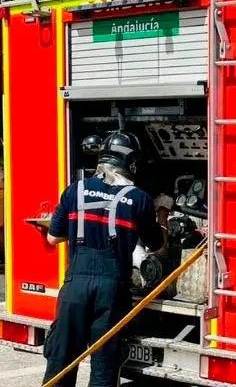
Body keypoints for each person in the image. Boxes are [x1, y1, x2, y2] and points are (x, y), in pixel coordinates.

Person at [42, 131, 173, 387]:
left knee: (62, 358)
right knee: (104, 363)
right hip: (112, 291)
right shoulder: (139, 199)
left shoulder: (73, 191)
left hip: (75, 287)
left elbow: (53, 239)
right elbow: (158, 247)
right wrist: (162, 213)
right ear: (131, 162)